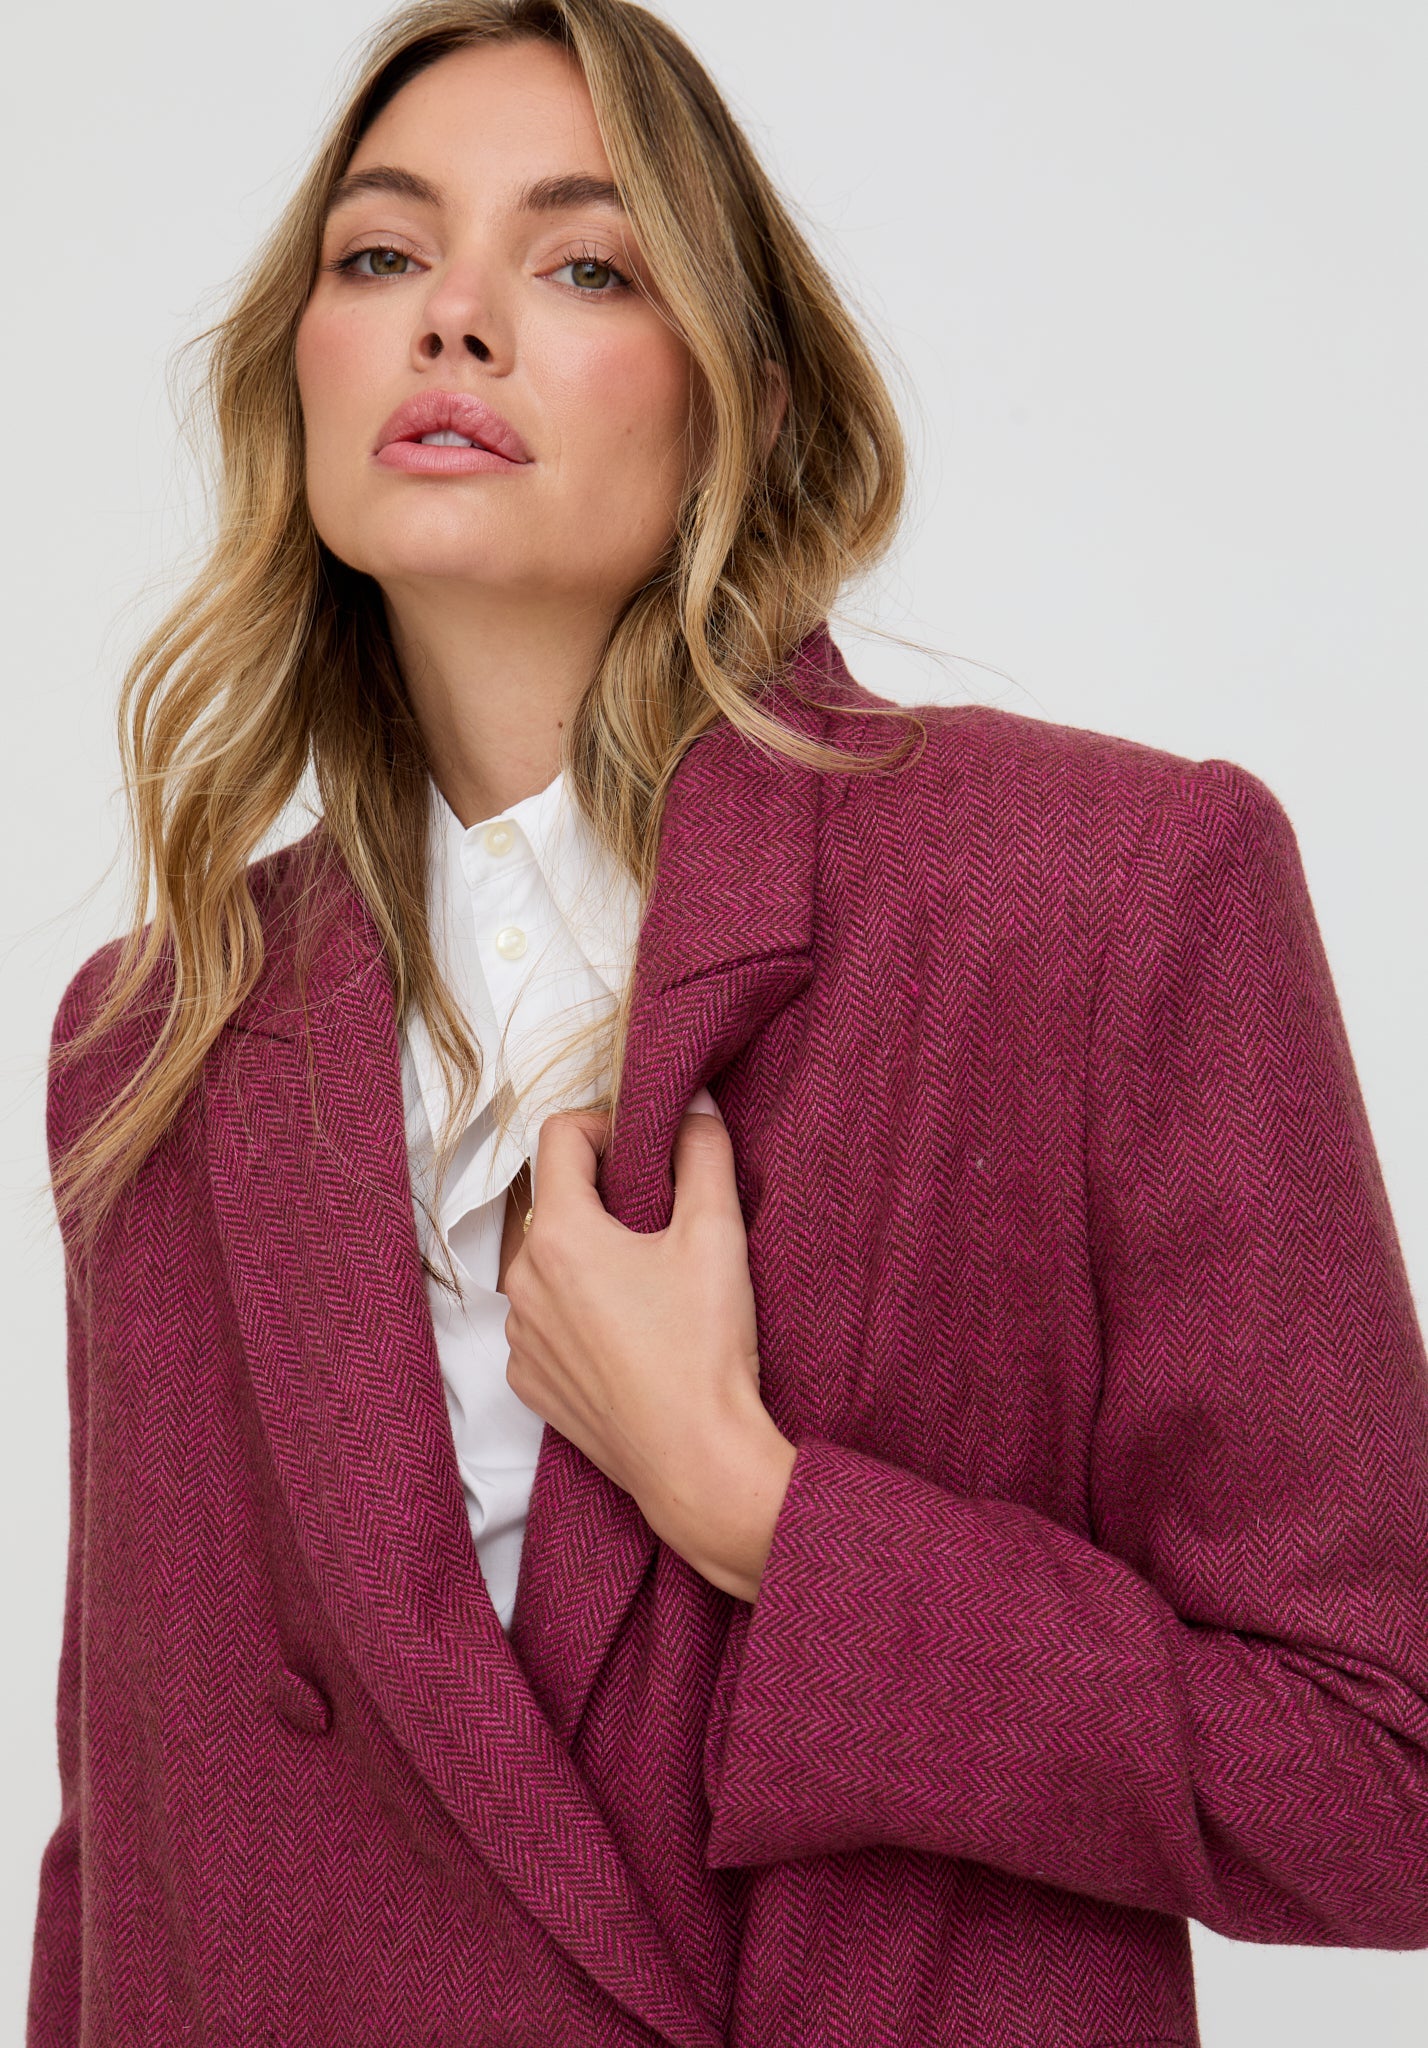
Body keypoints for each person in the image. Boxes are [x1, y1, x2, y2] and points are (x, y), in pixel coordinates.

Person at [27, 2, 1428, 2043]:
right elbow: (130, 1864)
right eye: (382, 252)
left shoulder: (1097, 895)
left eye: (585, 264)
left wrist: (755, 1507)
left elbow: (1382, 1778)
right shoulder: (155, 1038)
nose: (454, 318)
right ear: (297, 371)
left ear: (745, 409)